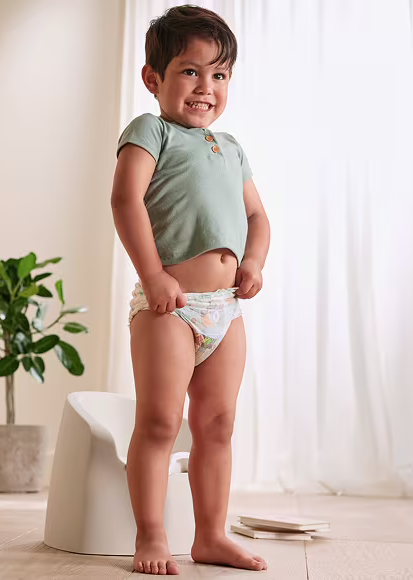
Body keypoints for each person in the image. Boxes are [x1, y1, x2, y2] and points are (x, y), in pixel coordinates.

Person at [110, 5, 271, 575]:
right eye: (190, 71)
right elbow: (125, 200)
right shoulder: (149, 131)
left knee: (217, 425)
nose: (206, 87)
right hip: (169, 308)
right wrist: (154, 274)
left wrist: (253, 263)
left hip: (225, 310)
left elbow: (257, 217)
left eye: (219, 74)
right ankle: (151, 536)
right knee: (160, 421)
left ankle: (211, 536)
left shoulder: (230, 146)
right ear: (153, 78)